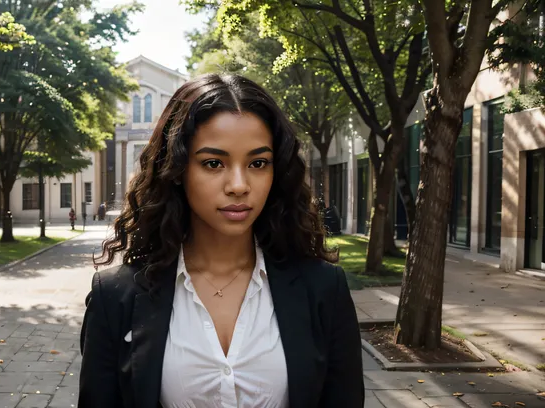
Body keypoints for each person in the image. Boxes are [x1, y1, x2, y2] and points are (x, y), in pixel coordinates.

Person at [79, 74, 364, 408]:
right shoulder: (116, 296)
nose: (239, 185)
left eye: (258, 163)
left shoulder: (323, 288)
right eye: (214, 163)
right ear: (177, 169)